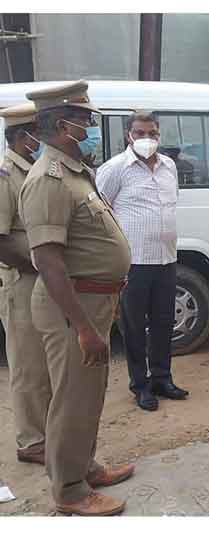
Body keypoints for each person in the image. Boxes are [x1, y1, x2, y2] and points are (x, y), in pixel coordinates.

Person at [19, 80, 134, 515]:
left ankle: (85, 466)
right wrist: (83, 327)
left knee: (89, 392)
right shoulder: (48, 179)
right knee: (70, 398)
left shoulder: (76, 172)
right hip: (72, 309)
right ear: (62, 124)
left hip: (93, 302)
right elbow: (48, 262)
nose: (88, 125)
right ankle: (69, 490)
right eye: (83, 119)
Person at [97, 111, 188, 412]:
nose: (146, 138)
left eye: (152, 132)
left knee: (164, 322)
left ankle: (163, 377)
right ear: (128, 135)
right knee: (134, 326)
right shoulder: (115, 169)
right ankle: (140, 384)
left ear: (159, 134)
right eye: (139, 133)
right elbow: (101, 211)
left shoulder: (169, 166)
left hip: (166, 258)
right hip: (134, 263)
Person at [0, 103, 51, 467]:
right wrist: (37, 266)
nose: (40, 138)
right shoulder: (5, 174)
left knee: (45, 364)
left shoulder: (29, 168)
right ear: (22, 136)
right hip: (21, 281)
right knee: (28, 366)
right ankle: (31, 441)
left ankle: (46, 433)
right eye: (36, 132)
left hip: (39, 279)